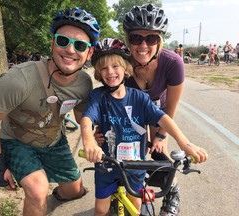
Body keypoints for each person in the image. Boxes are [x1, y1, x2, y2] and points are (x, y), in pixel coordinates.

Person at [0, 7, 100, 216]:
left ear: (89, 52)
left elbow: (82, 119)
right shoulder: (18, 79)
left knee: (74, 191)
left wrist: (95, 137)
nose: (71, 50)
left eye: (79, 45)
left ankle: (44, 204)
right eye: (63, 41)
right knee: (38, 190)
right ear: (52, 42)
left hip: (54, 141)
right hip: (17, 142)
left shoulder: (84, 83)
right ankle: (37, 202)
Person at [81, 38, 208, 216]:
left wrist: (185, 144)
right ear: (99, 73)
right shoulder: (98, 97)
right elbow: (87, 119)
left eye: (115, 66)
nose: (110, 72)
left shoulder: (139, 97)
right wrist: (89, 143)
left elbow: (163, 118)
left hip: (135, 166)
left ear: (125, 68)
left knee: (136, 207)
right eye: (104, 68)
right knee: (101, 210)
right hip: (107, 167)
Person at [93, 3, 187, 216]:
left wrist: (161, 136)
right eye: (136, 38)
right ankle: (130, 185)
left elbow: (170, 108)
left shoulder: (173, 63)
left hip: (158, 107)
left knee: (158, 151)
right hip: (133, 107)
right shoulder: (123, 63)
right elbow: (110, 98)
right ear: (128, 40)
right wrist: (98, 130)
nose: (143, 45)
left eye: (151, 38)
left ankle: (172, 189)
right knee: (135, 149)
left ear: (159, 41)